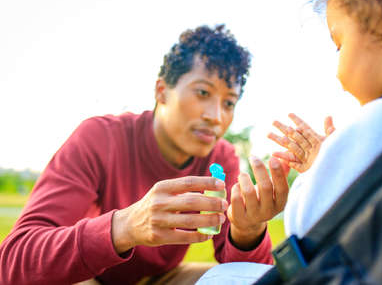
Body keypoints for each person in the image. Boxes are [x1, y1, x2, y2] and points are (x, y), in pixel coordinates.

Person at [196, 0, 382, 283]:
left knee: (219, 278)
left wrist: (320, 166)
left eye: (339, 44)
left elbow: (307, 233)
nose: (338, 71)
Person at [0, 25, 290, 285]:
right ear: (162, 91)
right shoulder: (100, 137)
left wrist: (247, 230)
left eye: (229, 102)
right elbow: (12, 261)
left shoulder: (220, 158)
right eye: (203, 93)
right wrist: (123, 226)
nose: (216, 117)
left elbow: (243, 273)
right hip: (87, 277)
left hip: (163, 279)